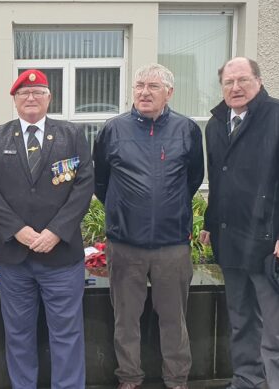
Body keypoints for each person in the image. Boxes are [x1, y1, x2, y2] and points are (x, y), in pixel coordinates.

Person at [199, 57, 279, 389]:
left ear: (258, 80)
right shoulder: (215, 124)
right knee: (241, 322)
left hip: (272, 246)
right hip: (232, 242)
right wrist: (210, 222)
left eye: (243, 80)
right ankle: (246, 380)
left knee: (277, 329)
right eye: (228, 82)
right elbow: (220, 182)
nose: (235, 88)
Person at [0, 69, 94, 389]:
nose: (31, 98)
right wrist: (17, 230)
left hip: (62, 257)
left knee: (67, 334)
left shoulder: (72, 135)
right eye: (24, 94)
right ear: (14, 100)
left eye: (38, 92)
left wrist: (56, 231)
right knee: (18, 334)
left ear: (49, 98)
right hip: (15, 258)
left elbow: (84, 186)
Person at [93, 63, 203, 389]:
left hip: (172, 245)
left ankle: (177, 379)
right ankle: (129, 378)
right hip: (125, 244)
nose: (144, 92)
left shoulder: (187, 130)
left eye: (153, 86)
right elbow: (101, 182)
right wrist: (124, 211)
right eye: (139, 85)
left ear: (169, 92)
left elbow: (192, 178)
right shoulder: (113, 130)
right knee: (125, 320)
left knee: (174, 319)